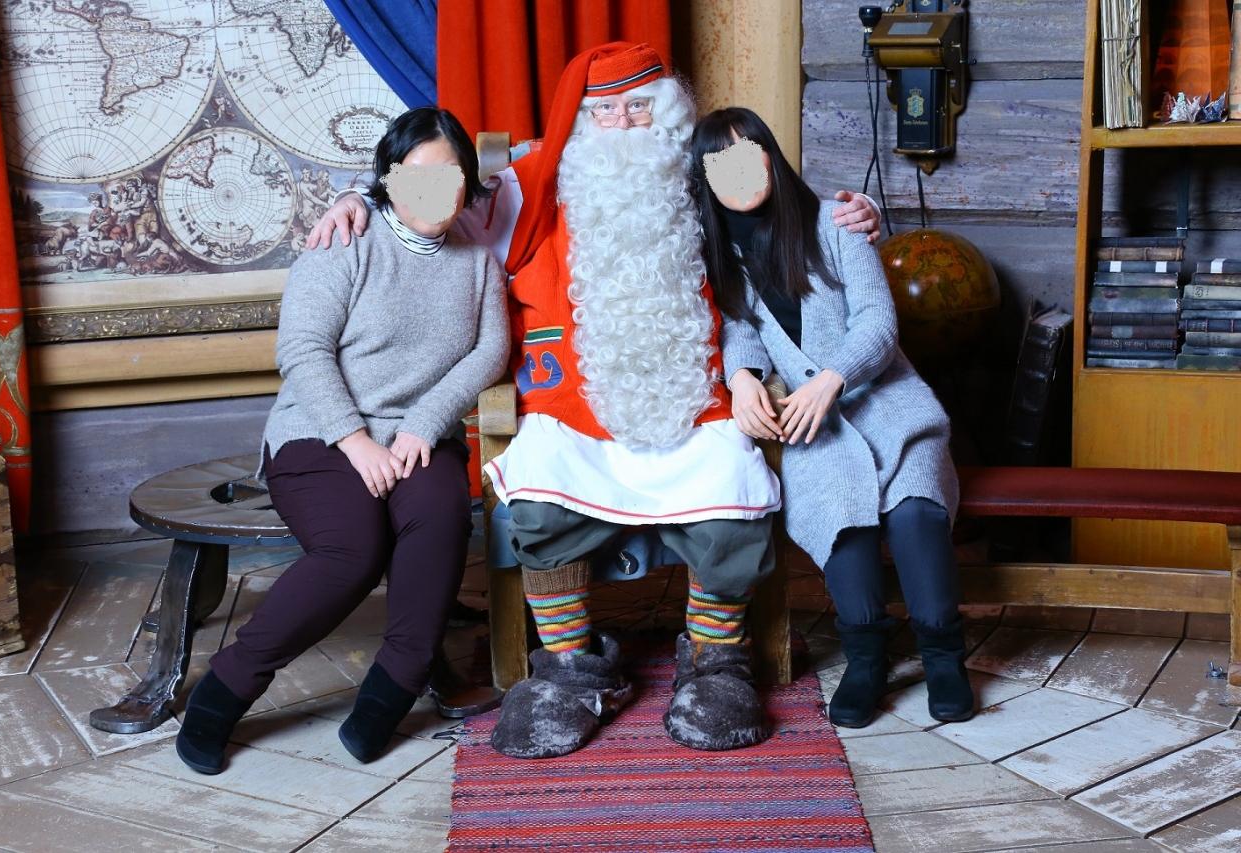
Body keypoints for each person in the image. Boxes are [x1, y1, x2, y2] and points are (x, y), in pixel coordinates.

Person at [308, 42, 883, 759]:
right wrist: (359, 198)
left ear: (664, 113)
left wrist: (852, 210)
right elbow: (433, 202)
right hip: (570, 407)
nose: (620, 123)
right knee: (541, 497)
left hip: (694, 401)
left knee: (728, 490)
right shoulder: (528, 186)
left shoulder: (697, 174)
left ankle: (716, 662)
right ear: (579, 121)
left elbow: (777, 204)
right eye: (602, 111)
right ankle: (569, 668)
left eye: (636, 107)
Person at [174, 107, 510, 775]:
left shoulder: (476, 256)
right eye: (417, 178)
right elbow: (302, 349)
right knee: (354, 549)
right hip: (321, 431)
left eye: (450, 178)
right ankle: (224, 691)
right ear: (387, 178)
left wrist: (424, 422)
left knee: (441, 517)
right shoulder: (346, 240)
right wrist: (356, 441)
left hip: (417, 435)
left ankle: (391, 690)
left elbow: (490, 350)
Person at [690, 106, 972, 728]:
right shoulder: (720, 256)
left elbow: (878, 321)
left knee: (917, 512)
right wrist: (741, 378)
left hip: (891, 408)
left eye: (749, 153)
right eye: (720, 163)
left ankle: (943, 655)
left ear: (771, 156)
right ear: (703, 179)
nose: (739, 172)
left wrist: (831, 378)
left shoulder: (834, 223)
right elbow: (740, 330)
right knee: (843, 520)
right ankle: (867, 659)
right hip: (813, 429)